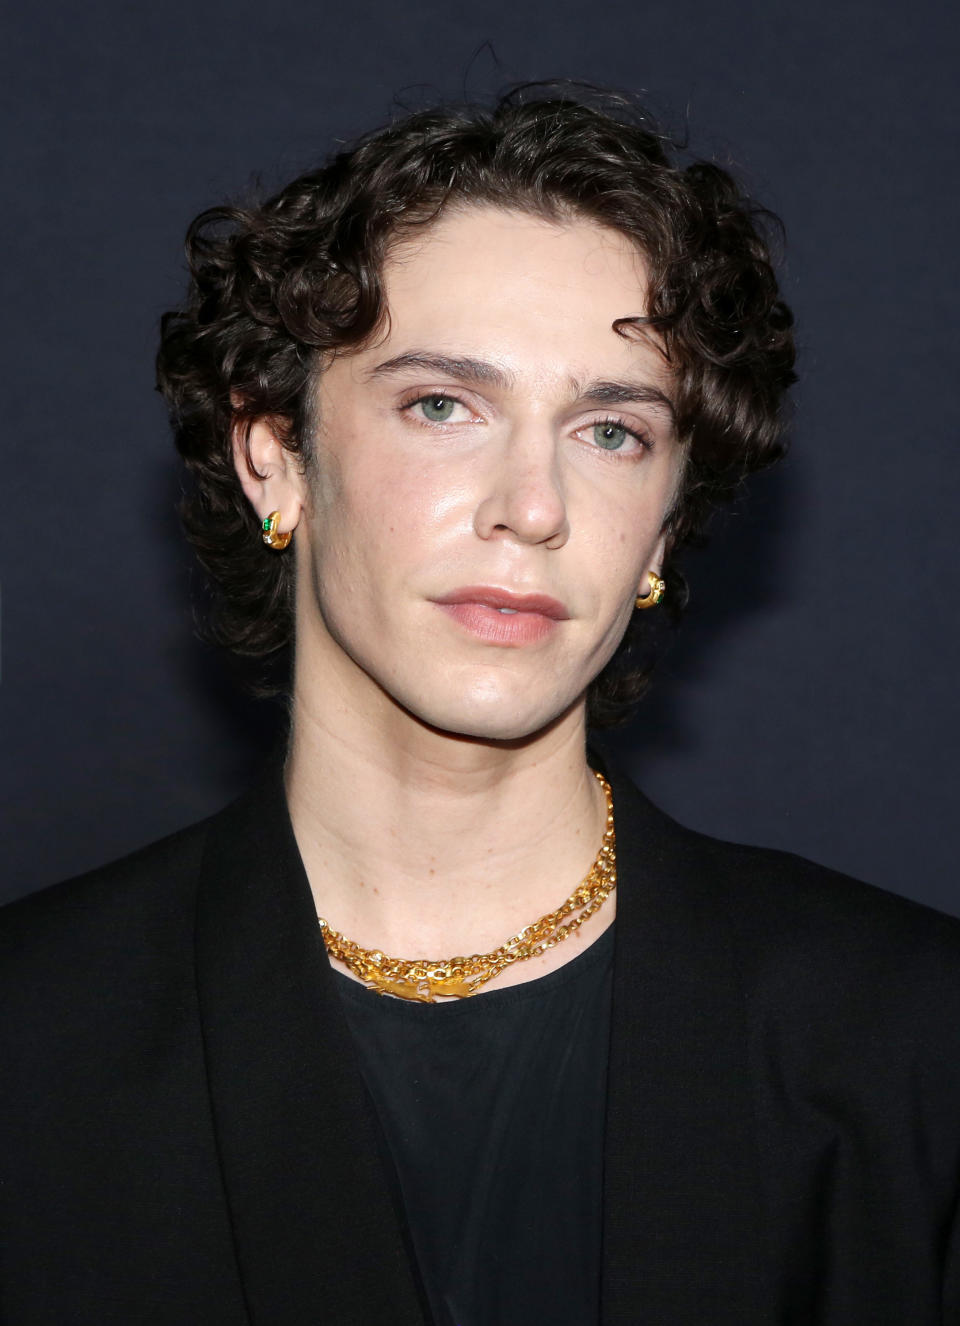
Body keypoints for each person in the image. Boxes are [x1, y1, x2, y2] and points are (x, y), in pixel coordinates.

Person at [2, 85, 959, 1326]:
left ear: (665, 517)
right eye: (443, 406)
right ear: (274, 456)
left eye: (611, 430)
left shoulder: (909, 1045)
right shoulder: (31, 1048)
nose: (534, 504)